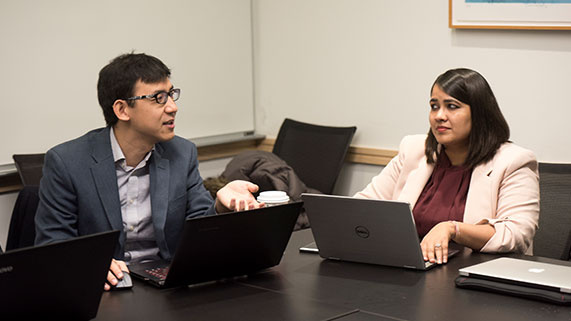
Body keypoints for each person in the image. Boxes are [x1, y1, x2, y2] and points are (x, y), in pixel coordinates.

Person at [35, 53, 263, 290]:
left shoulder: (181, 153)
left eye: (171, 95)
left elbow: (198, 231)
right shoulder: (68, 162)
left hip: (167, 285)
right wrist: (91, 264)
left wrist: (220, 206)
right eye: (159, 98)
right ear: (123, 110)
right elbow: (52, 245)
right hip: (104, 290)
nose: (173, 107)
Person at [355, 68, 539, 265]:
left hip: (474, 275)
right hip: (410, 268)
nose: (439, 116)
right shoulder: (414, 149)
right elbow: (363, 207)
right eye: (434, 106)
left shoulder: (513, 161)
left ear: (479, 113)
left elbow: (515, 234)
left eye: (452, 106)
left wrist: (453, 229)